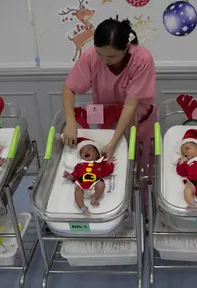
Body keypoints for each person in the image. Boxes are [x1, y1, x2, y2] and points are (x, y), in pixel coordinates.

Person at [61, 15, 156, 175]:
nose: (105, 60)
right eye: (100, 54)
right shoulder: (91, 55)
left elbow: (131, 104)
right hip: (107, 122)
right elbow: (69, 88)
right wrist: (71, 122)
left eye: (111, 56)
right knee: (107, 170)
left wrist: (113, 142)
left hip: (136, 121)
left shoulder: (142, 59)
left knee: (138, 170)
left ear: (126, 47)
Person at [63, 137, 115, 215]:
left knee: (101, 185)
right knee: (77, 191)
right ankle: (83, 208)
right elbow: (75, 175)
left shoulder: (99, 164)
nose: (86, 151)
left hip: (95, 183)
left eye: (89, 149)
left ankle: (95, 198)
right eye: (83, 151)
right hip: (82, 183)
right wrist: (70, 176)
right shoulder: (80, 165)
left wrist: (109, 164)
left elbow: (106, 171)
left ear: (97, 154)